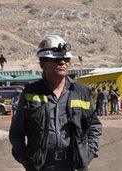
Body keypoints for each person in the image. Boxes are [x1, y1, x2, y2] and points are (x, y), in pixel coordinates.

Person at [9, 35, 102, 171]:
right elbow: (16, 132)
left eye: (66, 59)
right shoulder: (30, 92)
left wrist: (87, 154)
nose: (63, 63)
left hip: (74, 165)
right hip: (41, 165)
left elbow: (94, 126)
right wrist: (27, 162)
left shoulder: (82, 92)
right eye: (57, 60)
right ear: (42, 64)